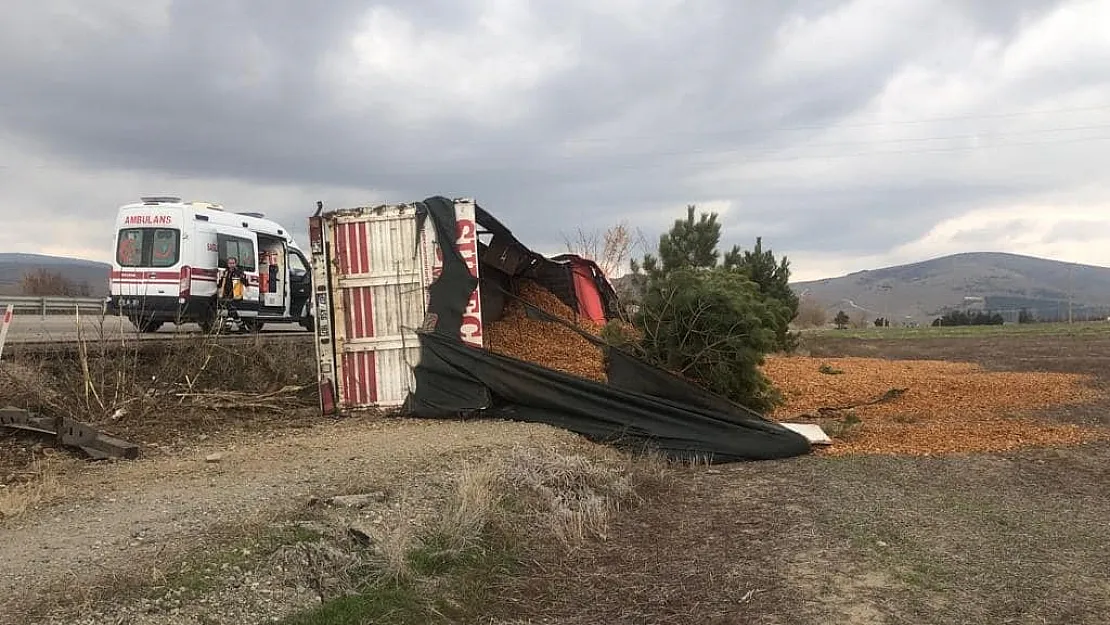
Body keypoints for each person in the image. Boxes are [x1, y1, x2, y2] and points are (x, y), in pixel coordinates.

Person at [216, 256, 250, 332]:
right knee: (232, 311)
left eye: (233, 263)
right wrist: (218, 288)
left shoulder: (239, 272)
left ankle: (227, 327)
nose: (231, 265)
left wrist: (247, 287)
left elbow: (245, 280)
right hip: (226, 294)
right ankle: (242, 327)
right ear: (227, 264)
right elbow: (221, 281)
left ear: (235, 264)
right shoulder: (225, 272)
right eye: (230, 263)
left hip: (236, 295)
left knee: (231, 310)